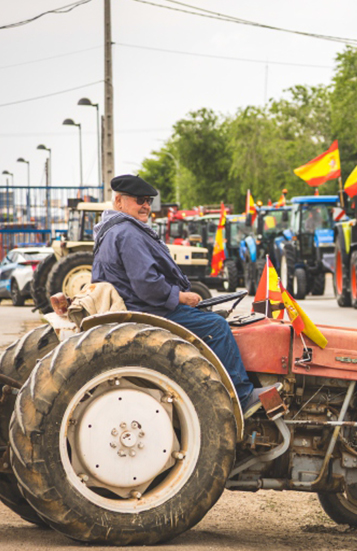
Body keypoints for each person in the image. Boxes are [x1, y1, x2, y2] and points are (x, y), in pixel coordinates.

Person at [91, 174, 268, 417]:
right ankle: (243, 396)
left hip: (138, 305)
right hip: (148, 308)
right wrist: (181, 297)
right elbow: (147, 284)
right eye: (140, 200)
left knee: (211, 317)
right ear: (119, 201)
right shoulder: (127, 233)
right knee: (217, 327)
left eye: (149, 201)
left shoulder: (111, 230)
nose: (146, 206)